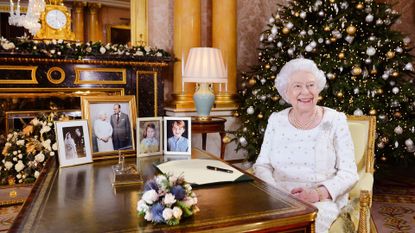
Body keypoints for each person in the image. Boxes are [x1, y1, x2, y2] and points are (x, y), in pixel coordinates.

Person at [253, 58, 358, 233]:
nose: (306, 92)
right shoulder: (276, 120)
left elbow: (349, 173)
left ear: (318, 89)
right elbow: (262, 164)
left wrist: (318, 193)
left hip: (320, 200)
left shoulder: (335, 120)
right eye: (297, 86)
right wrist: (275, 193)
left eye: (311, 85)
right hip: (277, 196)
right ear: (286, 92)